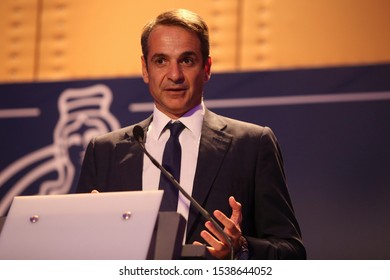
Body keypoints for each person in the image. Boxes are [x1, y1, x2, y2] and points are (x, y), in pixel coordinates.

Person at [77, 9, 306, 260]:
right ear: (145, 68)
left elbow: (292, 253)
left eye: (186, 60)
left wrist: (240, 248)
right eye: (161, 61)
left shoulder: (252, 145)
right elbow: (77, 254)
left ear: (207, 67)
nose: (174, 75)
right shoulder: (105, 151)